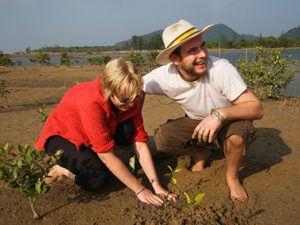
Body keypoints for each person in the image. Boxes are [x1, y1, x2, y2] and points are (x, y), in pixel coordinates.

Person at [142, 19, 264, 201]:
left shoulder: (220, 68)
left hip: (232, 119)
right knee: (162, 139)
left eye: (203, 46)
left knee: (236, 139)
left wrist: (220, 114)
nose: (203, 54)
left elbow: (257, 108)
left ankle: (232, 177)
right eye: (193, 51)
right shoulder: (162, 76)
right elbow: (135, 87)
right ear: (175, 59)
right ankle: (200, 153)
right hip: (197, 121)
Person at [34, 58, 177, 206]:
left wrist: (156, 186)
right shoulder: (91, 102)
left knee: (128, 131)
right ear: (109, 91)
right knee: (96, 178)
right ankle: (61, 169)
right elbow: (106, 156)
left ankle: (96, 151)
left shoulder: (130, 98)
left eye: (135, 97)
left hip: (91, 132)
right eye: (125, 100)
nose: (131, 104)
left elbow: (140, 144)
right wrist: (140, 189)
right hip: (62, 136)